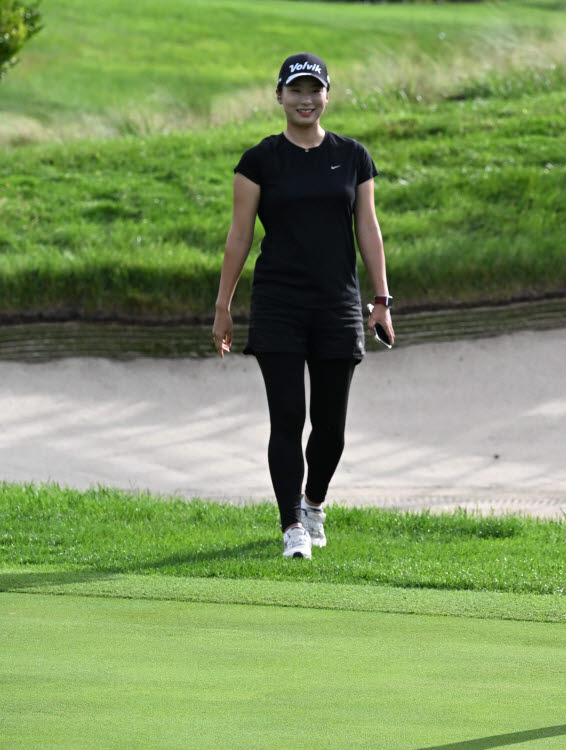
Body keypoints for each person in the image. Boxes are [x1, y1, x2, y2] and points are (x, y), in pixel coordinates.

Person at [212, 52, 394, 560]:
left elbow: (368, 230)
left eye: (314, 91)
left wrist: (381, 300)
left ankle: (314, 502)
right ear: (279, 97)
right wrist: (223, 306)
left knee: (330, 426)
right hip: (278, 303)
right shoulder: (259, 161)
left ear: (327, 96)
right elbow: (239, 236)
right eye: (296, 91)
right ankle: (291, 523)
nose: (305, 100)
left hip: (337, 302)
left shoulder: (353, 156)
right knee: (287, 416)